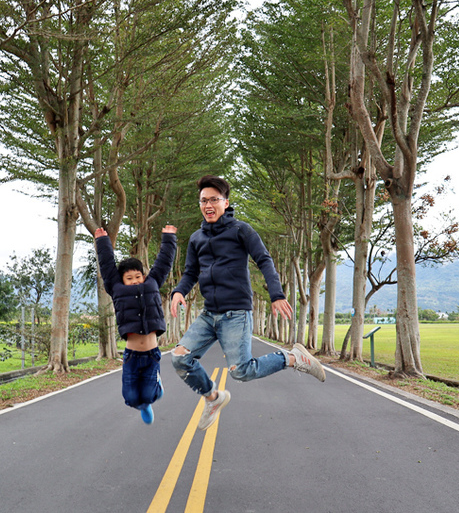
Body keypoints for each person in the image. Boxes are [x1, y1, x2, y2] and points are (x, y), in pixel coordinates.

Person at [170, 175, 325, 431]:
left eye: (214, 200)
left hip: (236, 314)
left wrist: (276, 294)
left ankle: (292, 358)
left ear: (226, 202)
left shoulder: (241, 230)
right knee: (179, 358)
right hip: (209, 314)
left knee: (241, 372)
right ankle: (213, 398)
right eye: (203, 201)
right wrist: (179, 291)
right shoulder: (196, 238)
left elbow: (263, 259)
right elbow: (190, 272)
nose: (208, 205)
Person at [95, 225, 177, 424]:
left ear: (144, 276)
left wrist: (168, 238)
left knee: (149, 395)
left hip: (151, 354)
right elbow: (107, 266)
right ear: (122, 280)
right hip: (131, 355)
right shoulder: (116, 289)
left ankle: (154, 393)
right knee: (131, 399)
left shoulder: (153, 284)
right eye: (129, 278)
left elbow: (164, 263)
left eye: (138, 276)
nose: (134, 281)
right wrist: (102, 242)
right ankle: (143, 405)